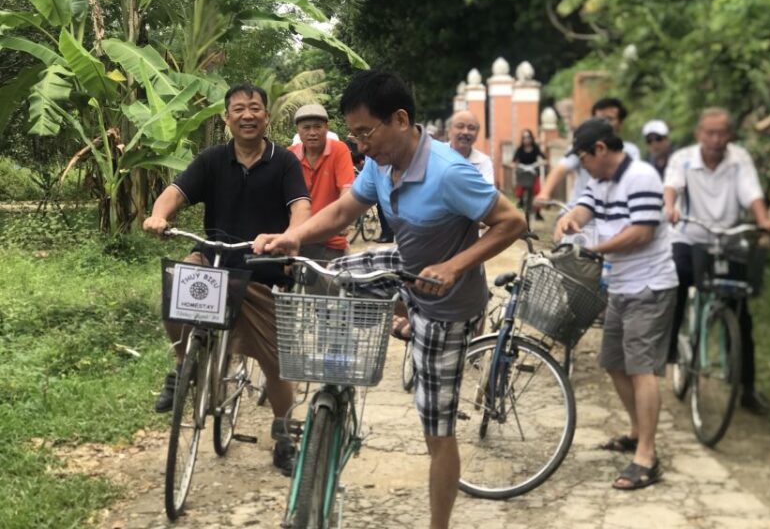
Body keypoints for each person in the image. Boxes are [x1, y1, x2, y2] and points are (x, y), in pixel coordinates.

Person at [253, 71, 526, 529]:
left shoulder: (449, 171)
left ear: (400, 119)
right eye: (355, 133)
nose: (360, 144)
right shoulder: (381, 164)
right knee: (329, 274)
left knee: (436, 430)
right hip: (407, 268)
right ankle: (363, 354)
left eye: (365, 132)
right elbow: (344, 210)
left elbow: (512, 222)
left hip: (447, 305)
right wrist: (293, 237)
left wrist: (455, 266)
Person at [142, 83, 311, 475]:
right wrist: (159, 215)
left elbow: (300, 206)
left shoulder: (284, 162)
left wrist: (292, 236)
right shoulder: (212, 159)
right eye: (238, 109)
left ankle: (284, 433)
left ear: (267, 117)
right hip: (215, 260)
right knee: (180, 279)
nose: (247, 115)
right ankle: (184, 364)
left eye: (255, 108)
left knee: (276, 362)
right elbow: (175, 191)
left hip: (262, 271)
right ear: (226, 118)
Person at [555, 118, 677, 491]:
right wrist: (567, 219)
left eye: (584, 157)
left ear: (601, 150)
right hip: (622, 285)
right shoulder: (600, 180)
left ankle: (647, 455)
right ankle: (638, 429)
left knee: (641, 368)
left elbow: (642, 232)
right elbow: (583, 208)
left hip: (650, 284)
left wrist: (596, 249)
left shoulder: (640, 177)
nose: (583, 166)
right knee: (613, 362)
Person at [663, 107, 770, 414]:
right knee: (676, 283)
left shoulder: (738, 159)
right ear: (698, 134)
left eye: (722, 133)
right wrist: (670, 208)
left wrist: (763, 219)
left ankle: (746, 389)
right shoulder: (683, 159)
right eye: (709, 133)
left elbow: (751, 193)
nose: (715, 139)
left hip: (728, 240)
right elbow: (672, 187)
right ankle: (671, 347)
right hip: (690, 237)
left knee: (741, 314)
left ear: (730, 135)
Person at [288, 103, 355, 292]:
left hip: (330, 239)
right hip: (298, 239)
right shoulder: (290, 155)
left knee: (329, 304)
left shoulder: (339, 150)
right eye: (306, 127)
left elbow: (347, 187)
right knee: (283, 299)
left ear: (326, 127)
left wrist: (345, 219)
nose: (312, 132)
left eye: (318, 127)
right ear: (298, 131)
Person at [537, 97, 640, 206]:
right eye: (599, 119)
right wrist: (544, 193)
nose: (604, 123)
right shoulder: (582, 147)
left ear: (620, 123)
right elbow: (561, 168)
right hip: (578, 208)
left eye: (609, 119)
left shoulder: (631, 153)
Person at [448, 110, 494, 185]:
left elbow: (486, 192)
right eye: (460, 126)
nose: (465, 132)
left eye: (471, 128)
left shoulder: (483, 162)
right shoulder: (437, 153)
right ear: (450, 130)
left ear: (477, 133)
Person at [512, 128, 546, 217]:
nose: (526, 139)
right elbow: (513, 162)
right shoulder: (519, 149)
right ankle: (520, 200)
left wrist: (539, 164)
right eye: (524, 137)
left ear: (531, 138)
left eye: (528, 137)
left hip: (533, 173)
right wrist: (518, 166)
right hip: (523, 173)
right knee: (519, 189)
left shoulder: (535, 148)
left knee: (537, 191)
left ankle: (537, 211)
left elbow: (544, 159)